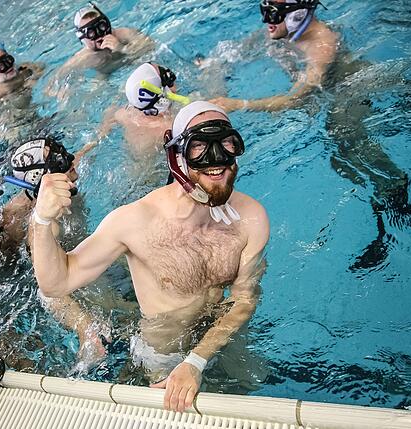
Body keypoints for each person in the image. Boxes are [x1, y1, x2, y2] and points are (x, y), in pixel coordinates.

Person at [31, 101, 270, 412]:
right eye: (199, 148)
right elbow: (56, 283)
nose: (216, 161)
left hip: (220, 327)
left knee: (252, 386)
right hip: (164, 347)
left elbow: (244, 299)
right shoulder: (135, 221)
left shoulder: (250, 217)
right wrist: (42, 219)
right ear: (178, 156)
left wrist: (197, 360)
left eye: (226, 145)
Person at [210, 0, 411, 270]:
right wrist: (212, 67)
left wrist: (240, 105)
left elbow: (295, 99)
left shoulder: (322, 44)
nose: (266, 20)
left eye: (272, 14)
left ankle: (394, 188)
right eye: (263, 11)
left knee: (345, 141)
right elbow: (235, 53)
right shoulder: (279, 32)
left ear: (297, 14)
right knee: (339, 159)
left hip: (352, 89)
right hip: (327, 94)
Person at [0, 139, 103, 385]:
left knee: (47, 279)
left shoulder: (15, 211)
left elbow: (52, 179)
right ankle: (83, 333)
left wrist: (100, 134)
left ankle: (88, 331)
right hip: (8, 281)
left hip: (37, 257)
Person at [45, 3, 154, 98]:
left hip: (133, 64)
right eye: (91, 33)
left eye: (101, 26)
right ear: (83, 38)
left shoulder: (123, 35)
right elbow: (52, 83)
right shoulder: (84, 57)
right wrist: (60, 91)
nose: (99, 34)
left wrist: (121, 48)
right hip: (104, 76)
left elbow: (151, 46)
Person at [96, 62, 184, 155]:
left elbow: (101, 134)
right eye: (166, 78)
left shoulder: (123, 114)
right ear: (162, 96)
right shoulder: (169, 127)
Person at [0, 47, 45, 126]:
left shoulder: (25, 69)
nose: (8, 66)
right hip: (15, 123)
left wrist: (32, 80)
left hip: (35, 111)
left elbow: (42, 68)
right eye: (1, 66)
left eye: (8, 60)